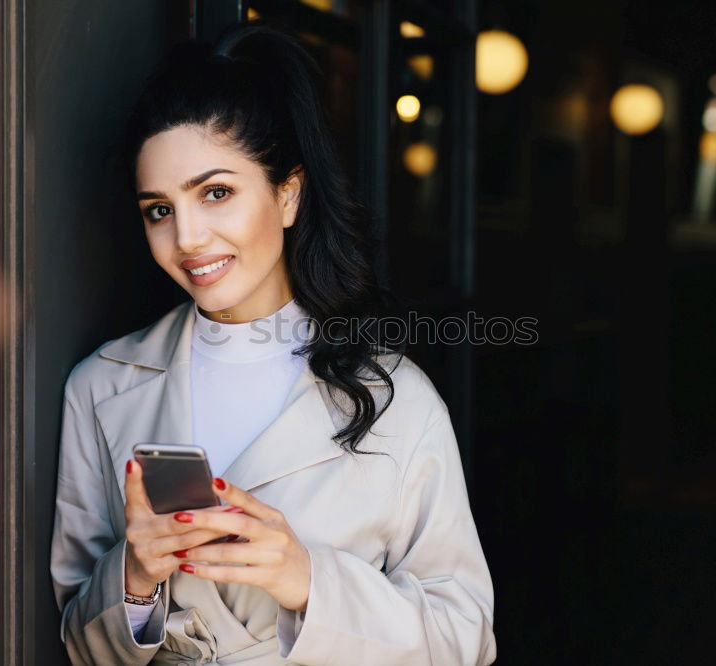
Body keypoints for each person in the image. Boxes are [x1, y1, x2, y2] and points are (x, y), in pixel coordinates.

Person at [50, 22, 496, 666]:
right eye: (159, 209)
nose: (189, 238)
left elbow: (467, 638)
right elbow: (75, 637)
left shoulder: (398, 401)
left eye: (216, 193)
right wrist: (134, 578)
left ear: (287, 193)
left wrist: (310, 580)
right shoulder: (101, 386)